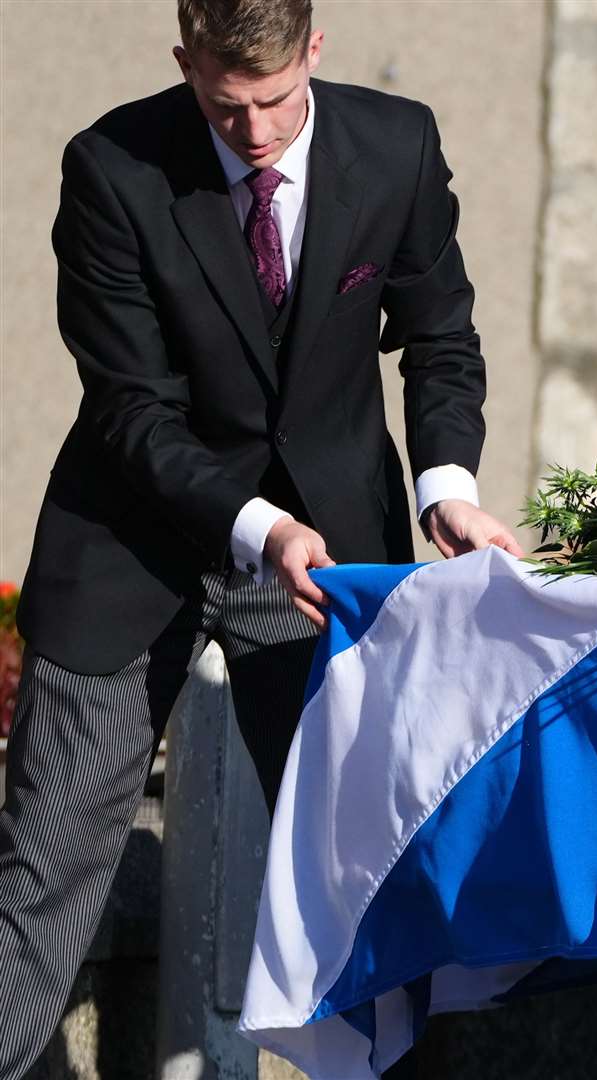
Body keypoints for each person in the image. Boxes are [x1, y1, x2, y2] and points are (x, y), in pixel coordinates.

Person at [0, 2, 518, 1074]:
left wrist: (448, 485)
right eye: (225, 104)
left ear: (314, 53)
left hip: (325, 563)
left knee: (371, 867)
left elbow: (439, 335)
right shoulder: (110, 167)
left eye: (276, 100)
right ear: (185, 62)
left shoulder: (396, 145)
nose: (255, 131)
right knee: (44, 875)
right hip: (133, 544)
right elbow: (131, 410)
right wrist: (261, 524)